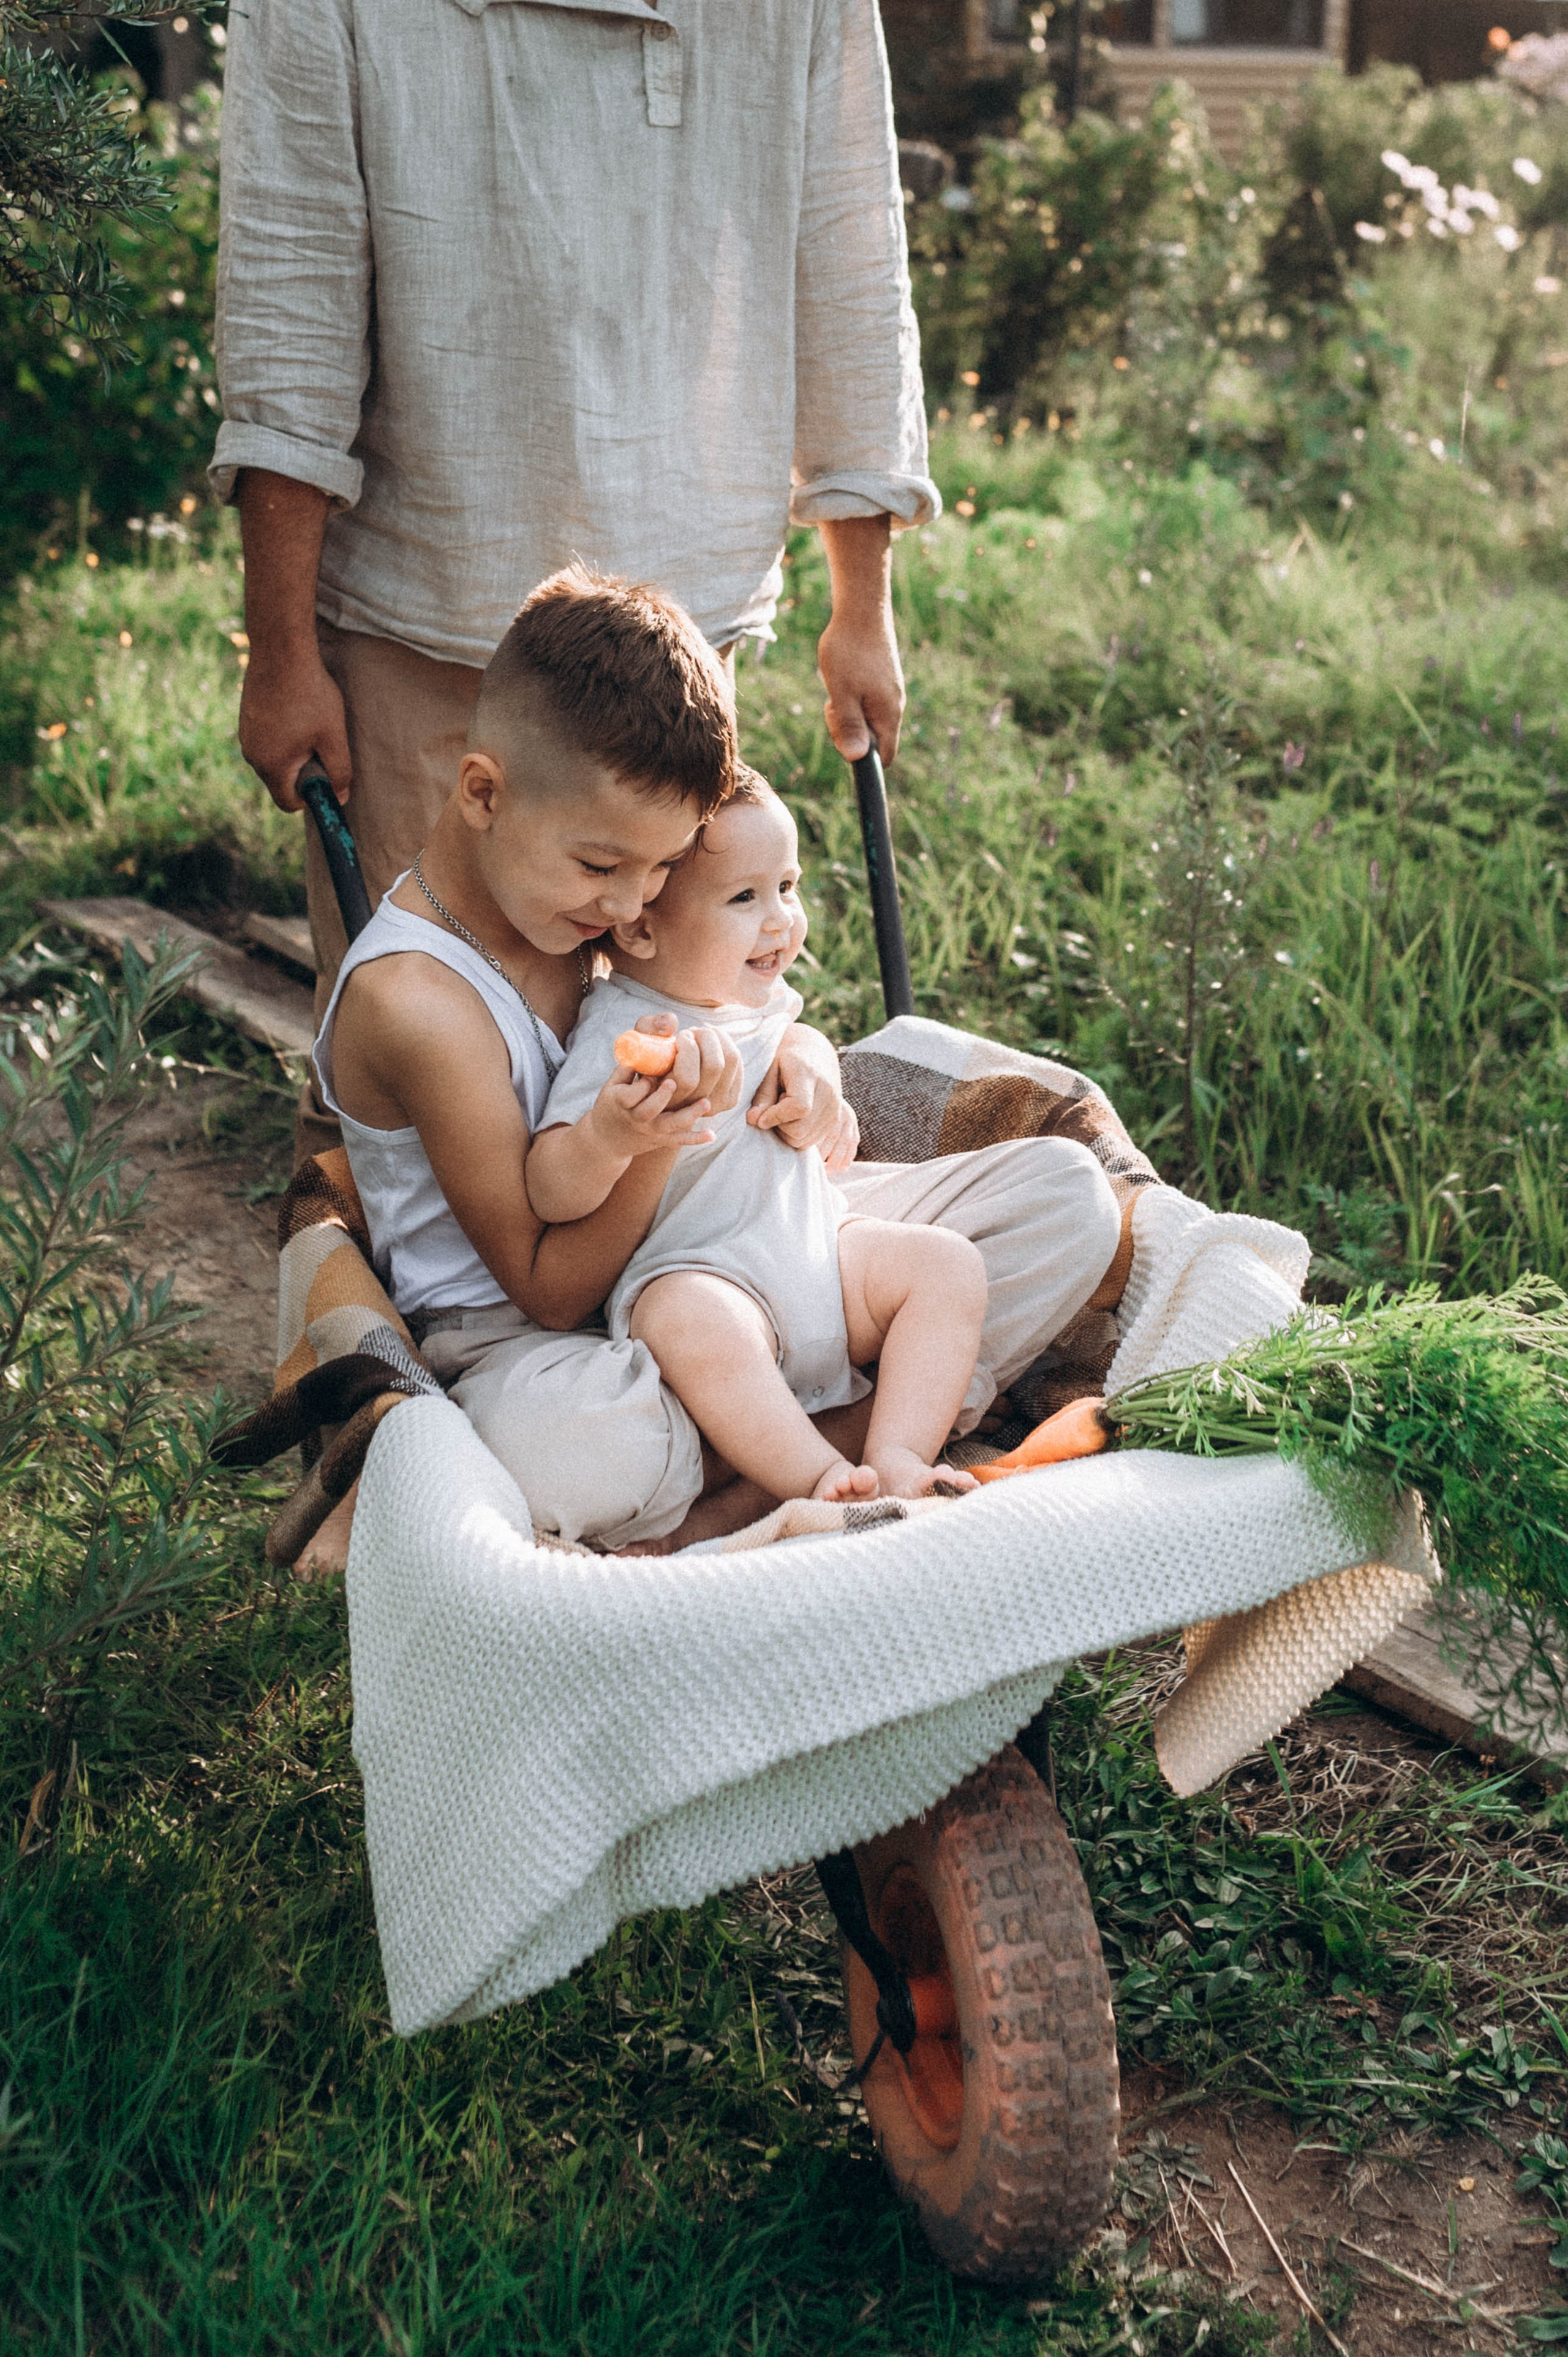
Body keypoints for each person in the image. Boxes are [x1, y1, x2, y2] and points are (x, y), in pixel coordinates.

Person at [209, 0, 935, 1160]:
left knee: (677, 1048)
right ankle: (377, 1338)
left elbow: (852, 268)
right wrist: (281, 649)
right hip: (431, 615)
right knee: (411, 1089)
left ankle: (644, 1330)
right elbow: (288, 310)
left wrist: (865, 602)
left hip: (676, 634)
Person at [314, 566, 1128, 1559]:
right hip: (547, 1341)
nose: (630, 910)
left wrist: (804, 1054)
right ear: (483, 791)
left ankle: (820, 1444)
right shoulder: (418, 1003)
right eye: (606, 867)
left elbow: (738, 1004)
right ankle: (801, 1471)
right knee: (582, 1449)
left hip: (736, 1233)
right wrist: (656, 1135)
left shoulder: (568, 896)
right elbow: (549, 1290)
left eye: (660, 870)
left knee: (1065, 1198)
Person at [528, 774, 986, 1505]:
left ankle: (898, 1454)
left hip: (821, 1268)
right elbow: (548, 1188)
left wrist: (814, 1066)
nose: (780, 920)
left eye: (787, 885)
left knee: (946, 1265)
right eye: (745, 898)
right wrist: (612, 1134)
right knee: (683, 1317)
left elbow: (792, 1033)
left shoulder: (758, 1000)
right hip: (714, 1284)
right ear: (641, 928)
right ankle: (820, 1478)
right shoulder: (627, 1032)